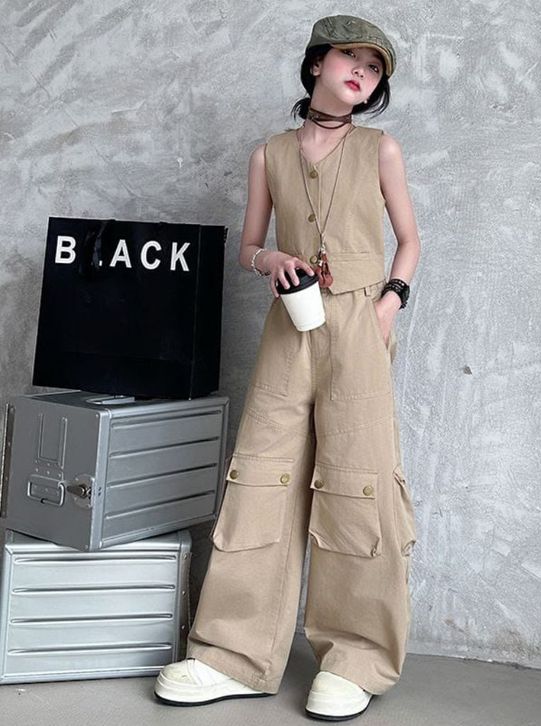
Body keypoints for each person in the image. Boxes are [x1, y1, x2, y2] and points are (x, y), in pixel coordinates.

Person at [154, 14, 421, 721]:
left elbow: (410, 240)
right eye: (349, 57)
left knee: (359, 476)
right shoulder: (269, 154)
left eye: (373, 67)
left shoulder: (381, 149)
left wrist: (390, 303)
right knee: (261, 473)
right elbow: (248, 245)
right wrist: (269, 257)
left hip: (359, 324)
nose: (361, 71)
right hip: (289, 324)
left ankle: (355, 657)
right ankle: (232, 655)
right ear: (315, 65)